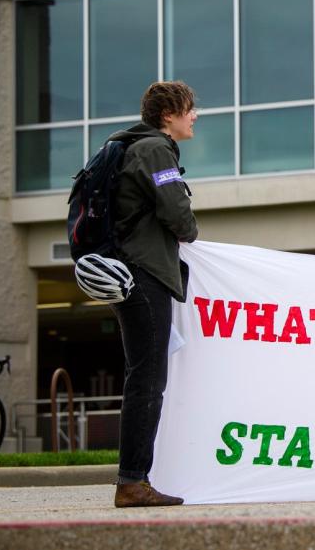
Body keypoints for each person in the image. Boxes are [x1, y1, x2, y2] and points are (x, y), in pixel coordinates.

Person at [108, 81, 199, 507]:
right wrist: (190, 230)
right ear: (168, 115)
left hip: (134, 273)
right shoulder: (155, 150)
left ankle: (133, 479)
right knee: (147, 380)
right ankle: (133, 482)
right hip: (145, 274)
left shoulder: (134, 146)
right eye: (189, 109)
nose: (194, 116)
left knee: (142, 377)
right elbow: (177, 212)